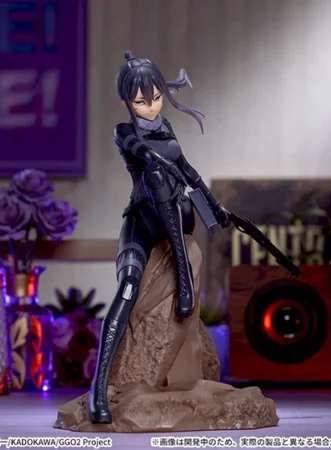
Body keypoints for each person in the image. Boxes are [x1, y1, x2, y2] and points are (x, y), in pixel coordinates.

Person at [88, 51, 230, 424]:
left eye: (156, 98)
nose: (150, 107)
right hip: (141, 222)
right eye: (141, 101)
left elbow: (188, 170)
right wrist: (156, 161)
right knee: (126, 289)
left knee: (171, 189)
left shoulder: (166, 127)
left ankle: (183, 273)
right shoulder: (124, 132)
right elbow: (141, 153)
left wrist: (215, 205)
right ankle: (98, 390)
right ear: (126, 101)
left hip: (175, 221)